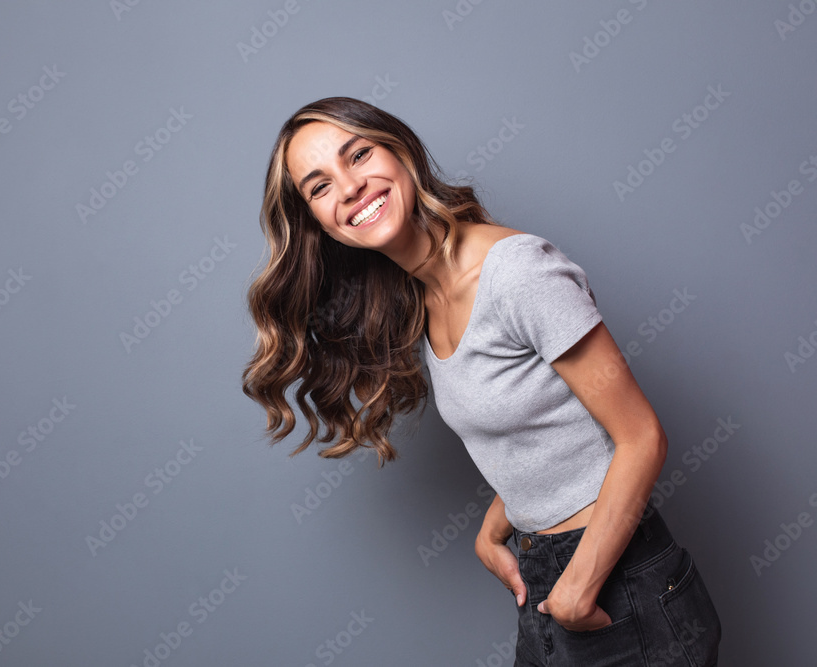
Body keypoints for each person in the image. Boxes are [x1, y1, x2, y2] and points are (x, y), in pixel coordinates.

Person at [242, 97, 722, 666]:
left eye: (359, 154)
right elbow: (547, 424)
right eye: (319, 187)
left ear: (402, 154)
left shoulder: (518, 271)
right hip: (545, 569)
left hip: (620, 585)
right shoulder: (420, 296)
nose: (348, 187)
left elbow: (642, 436)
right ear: (317, 223)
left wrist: (576, 592)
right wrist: (499, 524)